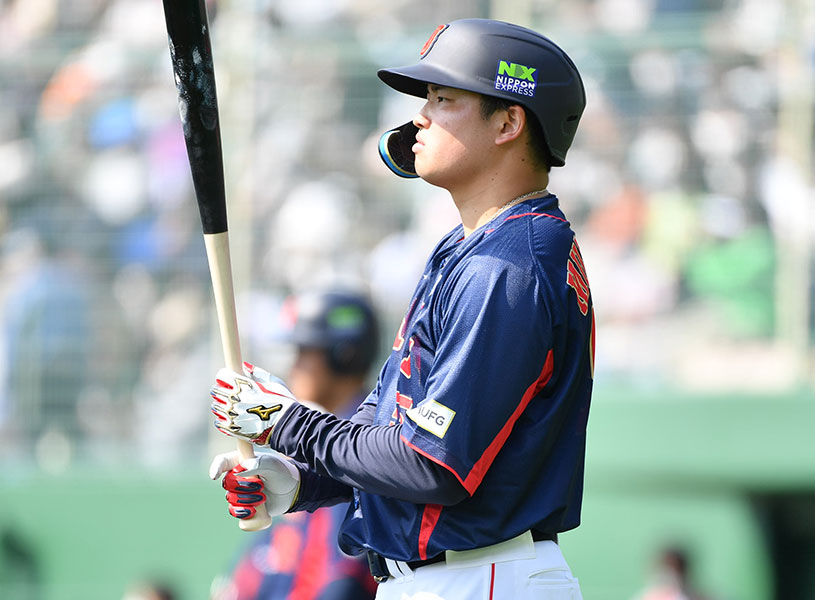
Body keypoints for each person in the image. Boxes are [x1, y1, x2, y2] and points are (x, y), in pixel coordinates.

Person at [208, 18, 594, 598]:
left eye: (443, 99)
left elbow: (433, 464)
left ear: (509, 122)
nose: (419, 116)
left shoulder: (508, 264)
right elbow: (398, 421)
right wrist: (303, 481)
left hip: (481, 574)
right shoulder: (475, 246)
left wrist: (287, 422)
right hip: (456, 575)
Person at [210, 290, 380, 600]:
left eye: (304, 352)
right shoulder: (307, 445)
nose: (293, 366)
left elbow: (341, 584)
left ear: (344, 354)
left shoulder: (358, 451)